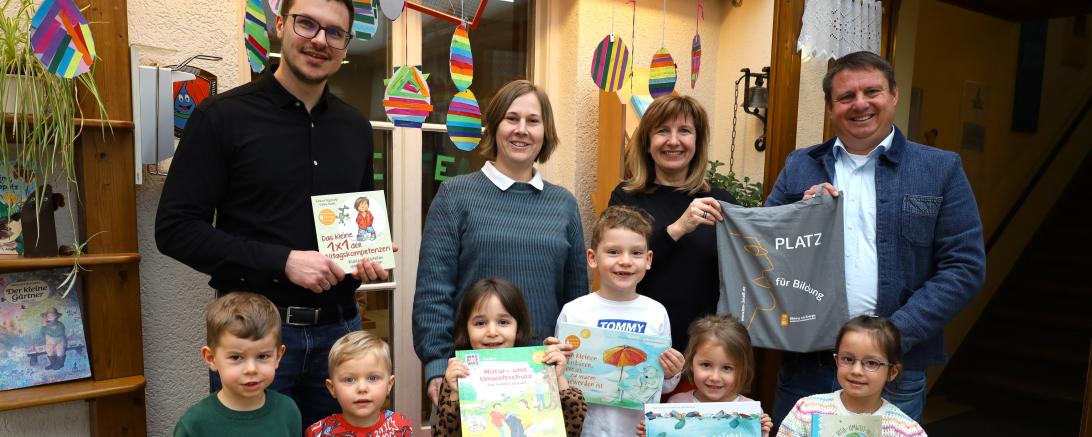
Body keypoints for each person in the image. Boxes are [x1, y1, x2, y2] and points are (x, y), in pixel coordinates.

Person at [155, 0, 392, 427]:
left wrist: (366, 256)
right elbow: (174, 230)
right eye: (307, 24)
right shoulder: (221, 117)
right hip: (254, 342)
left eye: (334, 32)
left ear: (345, 45)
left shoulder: (356, 128)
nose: (320, 40)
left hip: (340, 336)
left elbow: (354, 224)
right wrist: (283, 261)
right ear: (280, 25)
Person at [766, 51, 985, 425]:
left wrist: (890, 338)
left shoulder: (940, 169)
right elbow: (765, 252)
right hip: (809, 365)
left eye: (872, 91)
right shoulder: (799, 166)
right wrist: (798, 216)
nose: (860, 104)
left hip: (894, 368)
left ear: (894, 95)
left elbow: (964, 268)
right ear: (830, 107)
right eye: (846, 96)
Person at [414, 80, 589, 406]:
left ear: (545, 132)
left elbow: (575, 301)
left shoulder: (564, 204)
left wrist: (569, 366)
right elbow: (433, 292)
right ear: (494, 127)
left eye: (533, 121)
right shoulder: (455, 195)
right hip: (470, 377)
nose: (521, 130)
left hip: (541, 379)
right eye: (512, 118)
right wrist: (437, 368)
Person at [609, 95, 738, 350]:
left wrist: (808, 207)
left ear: (697, 142)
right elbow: (616, 265)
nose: (673, 141)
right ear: (647, 142)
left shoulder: (721, 202)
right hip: (638, 342)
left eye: (685, 131)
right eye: (663, 131)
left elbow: (754, 260)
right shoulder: (625, 197)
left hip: (704, 350)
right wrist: (677, 229)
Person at [556, 205, 684, 437]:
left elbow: (661, 386)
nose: (625, 261)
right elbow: (559, 381)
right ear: (592, 258)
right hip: (587, 429)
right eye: (613, 252)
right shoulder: (574, 312)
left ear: (648, 259)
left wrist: (671, 373)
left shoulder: (656, 313)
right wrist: (553, 362)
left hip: (635, 430)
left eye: (636, 253)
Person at [433, 278, 587, 437]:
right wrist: (455, 395)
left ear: (518, 326)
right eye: (480, 323)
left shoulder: (540, 369)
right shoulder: (458, 374)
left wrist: (559, 378)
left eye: (503, 322)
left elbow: (572, 429)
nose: (492, 332)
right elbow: (442, 433)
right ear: (466, 328)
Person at [776, 316, 926, 437]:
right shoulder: (807, 410)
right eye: (848, 359)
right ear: (836, 360)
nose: (856, 370)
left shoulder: (905, 430)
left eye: (872, 363)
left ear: (892, 372)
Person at [174, 293, 300, 436]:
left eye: (262, 356)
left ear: (278, 356)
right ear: (211, 358)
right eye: (236, 357)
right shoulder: (194, 425)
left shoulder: (288, 412)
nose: (251, 369)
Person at [649, 315, 772, 436]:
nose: (715, 377)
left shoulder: (750, 412)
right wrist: (650, 432)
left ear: (743, 370)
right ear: (691, 363)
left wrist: (761, 433)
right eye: (706, 365)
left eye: (727, 368)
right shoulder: (676, 404)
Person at [307, 330, 413, 436]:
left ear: (389, 384)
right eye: (349, 380)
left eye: (372, 378)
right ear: (332, 388)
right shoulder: (318, 433)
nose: (362, 388)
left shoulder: (400, 427)